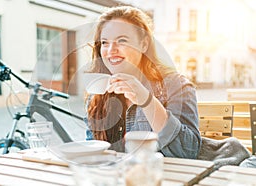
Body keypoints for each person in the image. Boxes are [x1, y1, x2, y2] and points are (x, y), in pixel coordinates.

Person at [84, 6, 201, 159]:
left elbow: (188, 152)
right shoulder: (97, 96)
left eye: (122, 40)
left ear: (144, 44)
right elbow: (94, 152)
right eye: (105, 42)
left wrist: (146, 101)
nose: (111, 50)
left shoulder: (175, 85)